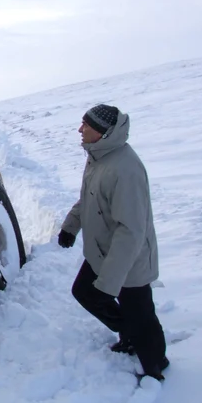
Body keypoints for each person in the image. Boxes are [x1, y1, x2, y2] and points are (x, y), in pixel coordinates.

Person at [58, 104, 168, 381]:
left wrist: (110, 281)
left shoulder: (125, 169)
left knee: (142, 315)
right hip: (103, 252)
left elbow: (130, 231)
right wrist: (71, 226)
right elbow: (89, 199)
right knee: (84, 292)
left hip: (128, 260)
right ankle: (129, 333)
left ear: (103, 132)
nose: (80, 130)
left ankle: (156, 366)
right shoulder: (99, 157)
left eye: (86, 125)